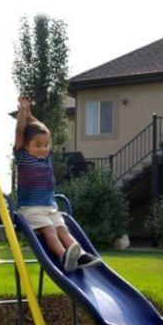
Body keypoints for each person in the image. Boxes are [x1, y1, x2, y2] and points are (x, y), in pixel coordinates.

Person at [14, 96, 102, 272]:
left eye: (46, 145)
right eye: (38, 145)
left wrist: (31, 116)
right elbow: (19, 133)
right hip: (31, 209)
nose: (43, 148)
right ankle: (63, 256)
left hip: (50, 207)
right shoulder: (23, 157)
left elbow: (46, 132)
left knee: (63, 230)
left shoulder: (47, 157)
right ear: (26, 146)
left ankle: (80, 255)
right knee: (49, 230)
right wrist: (23, 113)